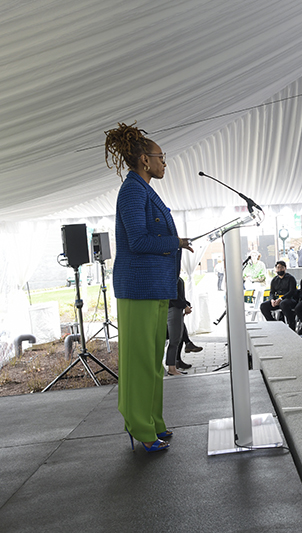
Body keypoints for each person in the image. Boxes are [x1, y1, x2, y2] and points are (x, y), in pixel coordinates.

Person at [105, 122, 193, 453]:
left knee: (153, 358)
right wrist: (175, 242)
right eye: (161, 157)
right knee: (140, 360)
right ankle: (139, 427)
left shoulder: (145, 190)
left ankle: (154, 421)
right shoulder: (132, 191)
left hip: (156, 287)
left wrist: (176, 242)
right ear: (145, 160)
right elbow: (139, 240)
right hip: (138, 288)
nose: (164, 162)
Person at [166, 277, 192, 376]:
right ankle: (171, 369)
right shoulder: (171, 277)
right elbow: (173, 296)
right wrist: (184, 306)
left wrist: (186, 304)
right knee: (175, 340)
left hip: (175, 309)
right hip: (173, 309)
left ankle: (173, 366)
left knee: (176, 338)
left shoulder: (173, 276)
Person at [260, 261, 298, 328]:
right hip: (277, 301)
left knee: (283, 303)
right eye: (278, 268)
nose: (279, 269)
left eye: (281, 267)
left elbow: (292, 291)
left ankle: (291, 323)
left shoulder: (290, 278)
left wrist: (281, 299)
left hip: (289, 299)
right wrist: (272, 300)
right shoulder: (274, 280)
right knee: (263, 306)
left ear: (285, 268)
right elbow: (272, 292)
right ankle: (274, 324)